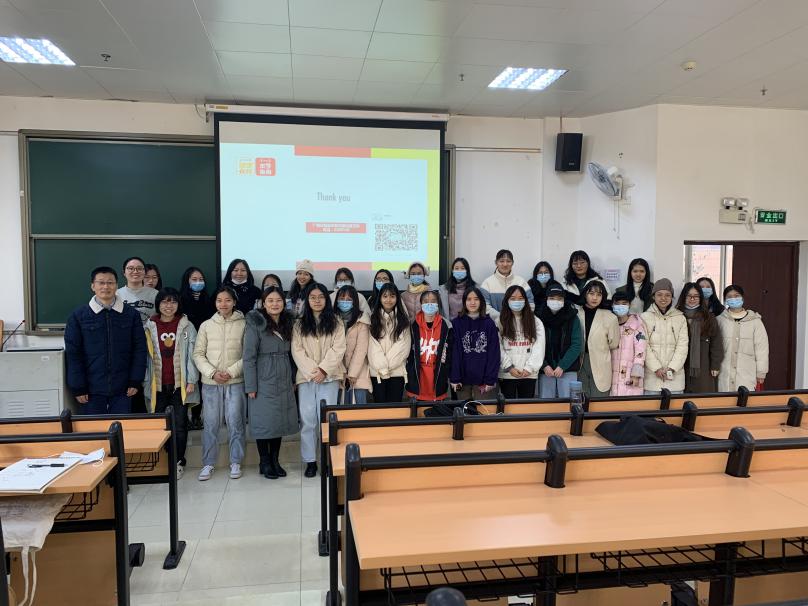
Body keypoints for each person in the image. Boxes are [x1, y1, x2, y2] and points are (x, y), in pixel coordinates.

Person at [65, 266, 147, 414]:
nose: (105, 287)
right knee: (93, 427)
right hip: (90, 389)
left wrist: (135, 380)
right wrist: (78, 386)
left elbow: (139, 349)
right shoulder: (78, 316)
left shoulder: (131, 315)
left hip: (124, 388)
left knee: (122, 426)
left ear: (116, 286)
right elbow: (73, 354)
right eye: (101, 282)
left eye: (110, 282)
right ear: (93, 286)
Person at [291, 282, 346, 477]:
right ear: (307, 300)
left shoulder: (336, 322)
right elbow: (297, 351)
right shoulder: (299, 324)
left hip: (330, 377)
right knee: (308, 420)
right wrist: (313, 372)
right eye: (312, 297)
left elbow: (338, 348)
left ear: (327, 300)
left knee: (328, 420)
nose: (317, 301)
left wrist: (323, 370)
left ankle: (328, 460)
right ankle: (310, 461)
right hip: (306, 378)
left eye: (321, 297)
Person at [243, 286, 298, 480]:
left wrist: (293, 378)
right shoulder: (255, 323)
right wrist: (251, 386)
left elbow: (293, 354)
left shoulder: (288, 322)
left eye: (279, 300)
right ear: (263, 303)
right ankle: (264, 462)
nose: (275, 304)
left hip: (284, 376)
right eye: (270, 301)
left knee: (278, 421)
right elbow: (248, 357)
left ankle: (275, 460)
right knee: (264, 422)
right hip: (263, 378)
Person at [192, 286, 246, 481]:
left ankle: (236, 461)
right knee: (211, 424)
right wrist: (212, 373)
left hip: (235, 381)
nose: (223, 304)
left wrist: (231, 372)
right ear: (215, 303)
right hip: (210, 383)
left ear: (234, 302)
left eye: (228, 300)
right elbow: (198, 354)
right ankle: (208, 463)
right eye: (219, 300)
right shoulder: (206, 325)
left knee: (236, 422)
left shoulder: (244, 324)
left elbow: (248, 354)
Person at [144, 287, 198, 479]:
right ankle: (163, 462)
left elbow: (193, 355)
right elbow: (145, 357)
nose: (169, 306)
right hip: (156, 385)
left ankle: (178, 462)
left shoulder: (186, 326)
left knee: (180, 426)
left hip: (179, 386)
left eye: (173, 302)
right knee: (159, 425)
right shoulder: (149, 326)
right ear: (158, 304)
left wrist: (191, 379)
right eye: (165, 302)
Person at [450, 287, 500, 401]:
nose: (472, 302)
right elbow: (454, 353)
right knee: (464, 410)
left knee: (483, 411)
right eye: (469, 299)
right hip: (462, 380)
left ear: (481, 301)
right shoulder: (456, 323)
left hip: (483, 381)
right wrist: (455, 377)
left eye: (476, 299)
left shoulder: (489, 324)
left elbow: (494, 354)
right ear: (464, 302)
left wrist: (490, 379)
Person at [641, 278, 689, 395]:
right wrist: (656, 368)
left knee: (675, 407)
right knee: (652, 407)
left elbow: (682, 346)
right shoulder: (644, 317)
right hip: (651, 379)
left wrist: (672, 368)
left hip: (675, 379)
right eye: (659, 295)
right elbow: (643, 346)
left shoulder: (680, 318)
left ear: (672, 297)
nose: (663, 298)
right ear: (653, 296)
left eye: (667, 295)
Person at [717, 285, 769, 392]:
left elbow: (762, 348)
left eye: (736, 296)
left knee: (744, 399)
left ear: (742, 298)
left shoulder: (755, 321)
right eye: (729, 297)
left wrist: (761, 372)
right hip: (724, 373)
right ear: (725, 300)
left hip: (747, 373)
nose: (733, 299)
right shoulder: (720, 320)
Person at [497, 285, 545, 399]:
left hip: (529, 374)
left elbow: (539, 347)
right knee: (508, 407)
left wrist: (529, 368)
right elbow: (497, 347)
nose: (517, 301)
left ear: (525, 300)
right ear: (507, 301)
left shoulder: (535, 321)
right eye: (513, 298)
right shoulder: (499, 321)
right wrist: (509, 367)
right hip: (507, 374)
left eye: (520, 298)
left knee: (526, 407)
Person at [675, 283, 724, 393]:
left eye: (696, 296)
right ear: (683, 297)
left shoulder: (709, 317)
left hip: (704, 365)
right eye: (689, 295)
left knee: (703, 396)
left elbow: (716, 343)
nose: (692, 299)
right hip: (680, 365)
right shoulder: (676, 315)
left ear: (701, 298)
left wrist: (715, 365)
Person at [406, 290, 453, 402]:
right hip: (417, 379)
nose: (430, 304)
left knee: (436, 411)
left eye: (433, 301)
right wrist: (410, 370)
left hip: (438, 378)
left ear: (438, 304)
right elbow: (408, 353)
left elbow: (450, 353)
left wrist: (446, 371)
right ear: (421, 304)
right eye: (426, 301)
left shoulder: (446, 325)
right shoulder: (412, 325)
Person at [179, 266, 211, 430]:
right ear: (187, 281)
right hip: (185, 345)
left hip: (206, 345)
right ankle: (184, 416)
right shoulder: (180, 300)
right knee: (187, 379)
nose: (198, 282)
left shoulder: (209, 299)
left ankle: (197, 416)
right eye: (194, 279)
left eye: (201, 279)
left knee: (201, 380)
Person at [537, 281, 582, 398]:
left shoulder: (573, 317)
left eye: (559, 298)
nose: (555, 301)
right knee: (546, 403)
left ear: (564, 300)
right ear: (546, 299)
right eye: (552, 298)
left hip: (568, 368)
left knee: (568, 403)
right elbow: (535, 345)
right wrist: (544, 365)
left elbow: (576, 344)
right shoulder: (538, 317)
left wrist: (562, 365)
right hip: (545, 370)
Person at [368, 283, 411, 403]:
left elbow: (403, 347)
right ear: (380, 298)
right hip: (377, 373)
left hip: (397, 373)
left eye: (392, 296)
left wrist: (386, 368)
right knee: (380, 408)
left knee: (395, 408)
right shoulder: (372, 319)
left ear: (397, 298)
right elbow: (372, 347)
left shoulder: (404, 320)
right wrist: (382, 368)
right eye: (385, 296)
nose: (388, 300)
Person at [577, 281, 619, 398]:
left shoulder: (610, 317)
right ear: (585, 294)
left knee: (599, 398)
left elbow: (614, 343)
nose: (595, 298)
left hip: (601, 361)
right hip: (579, 361)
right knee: (581, 399)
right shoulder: (576, 313)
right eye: (591, 293)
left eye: (599, 295)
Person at [336, 285, 372, 404]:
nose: (344, 302)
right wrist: (341, 372)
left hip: (358, 373)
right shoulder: (331, 319)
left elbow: (361, 349)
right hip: (337, 372)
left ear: (355, 302)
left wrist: (352, 374)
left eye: (349, 299)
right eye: (342, 298)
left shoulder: (362, 320)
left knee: (359, 409)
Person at [609, 290, 647, 396]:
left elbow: (641, 351)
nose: (620, 306)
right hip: (611, 374)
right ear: (612, 305)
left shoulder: (636, 325)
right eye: (617, 303)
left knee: (629, 403)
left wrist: (636, 374)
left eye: (624, 303)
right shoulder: (610, 324)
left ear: (629, 305)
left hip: (629, 375)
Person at [480, 249, 534, 318]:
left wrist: (518, 319)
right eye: (501, 261)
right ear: (496, 262)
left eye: (508, 261)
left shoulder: (521, 282)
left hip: (520, 322)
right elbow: (484, 306)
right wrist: (501, 318)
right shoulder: (487, 283)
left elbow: (531, 304)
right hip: (495, 323)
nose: (505, 264)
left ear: (512, 263)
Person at [117, 256, 158, 325]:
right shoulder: (116, 294)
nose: (135, 271)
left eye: (139, 268)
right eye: (131, 268)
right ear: (124, 272)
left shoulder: (155, 294)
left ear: (144, 272)